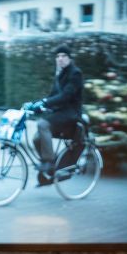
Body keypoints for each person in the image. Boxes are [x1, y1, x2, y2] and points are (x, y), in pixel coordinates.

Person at [29, 46, 86, 185]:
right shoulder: (60, 75)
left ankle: (49, 162)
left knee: (42, 124)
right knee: (37, 138)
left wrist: (45, 102)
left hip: (71, 114)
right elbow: (52, 96)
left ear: (69, 58)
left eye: (63, 56)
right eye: (58, 56)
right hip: (60, 114)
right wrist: (34, 105)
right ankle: (51, 164)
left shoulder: (75, 74)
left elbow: (65, 96)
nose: (60, 58)